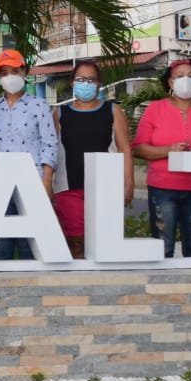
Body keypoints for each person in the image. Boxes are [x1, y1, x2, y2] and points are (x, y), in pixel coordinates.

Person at [132, 58, 191, 258]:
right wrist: (169, 150)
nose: (186, 80)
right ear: (170, 82)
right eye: (180, 76)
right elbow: (139, 148)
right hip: (162, 190)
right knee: (163, 248)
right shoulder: (154, 110)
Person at [52, 61, 134, 258]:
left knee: (104, 246)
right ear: (72, 83)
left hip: (105, 189)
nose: (85, 84)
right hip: (69, 189)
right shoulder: (60, 114)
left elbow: (124, 148)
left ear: (99, 84)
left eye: (90, 80)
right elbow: (51, 150)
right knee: (76, 244)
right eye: (80, 79)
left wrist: (129, 183)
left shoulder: (112, 111)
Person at [0, 49, 58, 260]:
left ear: (25, 71)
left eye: (14, 71)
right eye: (4, 72)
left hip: (32, 183)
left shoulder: (39, 106)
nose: (10, 77)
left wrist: (47, 181)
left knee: (31, 246)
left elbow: (49, 144)